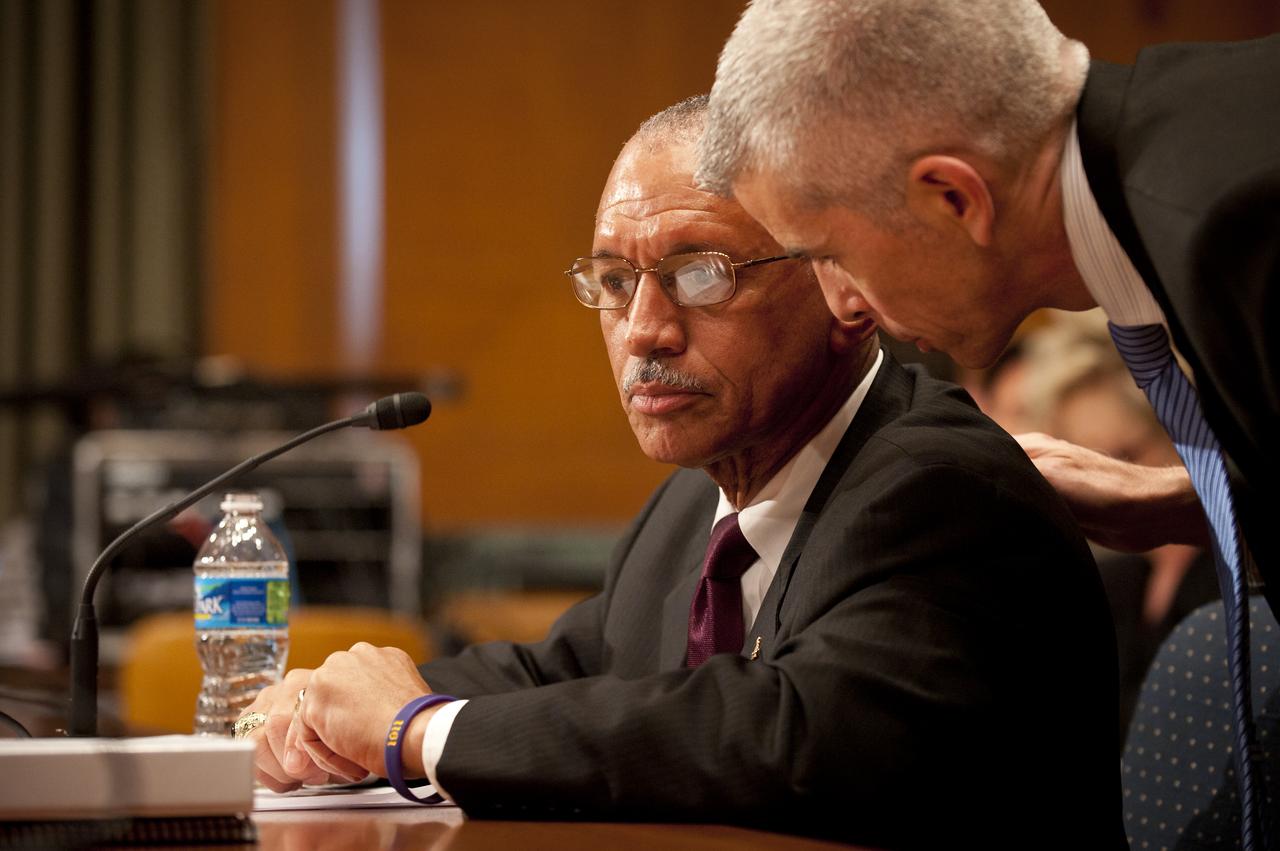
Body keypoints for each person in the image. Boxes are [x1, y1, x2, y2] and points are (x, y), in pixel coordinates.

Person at [236, 96, 1123, 847]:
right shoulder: (690, 510)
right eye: (616, 281)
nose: (645, 329)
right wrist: (334, 712)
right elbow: (563, 678)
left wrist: (415, 728)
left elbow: (783, 735)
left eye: (701, 275)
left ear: (845, 292)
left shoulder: (939, 486)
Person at [697, 2, 1278, 618]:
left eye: (829, 254)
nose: (842, 303)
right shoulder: (1196, 159)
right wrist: (1198, 504)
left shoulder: (1241, 224)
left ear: (953, 197)